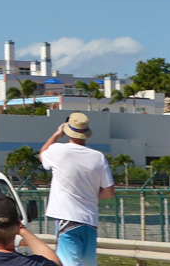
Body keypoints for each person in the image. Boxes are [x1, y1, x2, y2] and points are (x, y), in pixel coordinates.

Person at [39, 113, 114, 266]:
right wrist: (89, 193)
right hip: (90, 220)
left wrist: (56, 134)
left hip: (67, 219)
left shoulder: (59, 150)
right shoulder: (98, 157)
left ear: (67, 130)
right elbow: (108, 191)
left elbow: (42, 155)